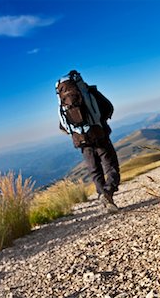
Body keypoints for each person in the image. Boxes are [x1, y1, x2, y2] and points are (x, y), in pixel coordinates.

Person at [56, 70, 120, 212]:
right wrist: (99, 121)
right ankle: (108, 192)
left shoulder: (63, 102)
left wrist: (78, 130)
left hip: (81, 140)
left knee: (94, 170)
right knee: (110, 165)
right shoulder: (89, 93)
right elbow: (108, 108)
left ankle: (103, 196)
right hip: (99, 134)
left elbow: (63, 126)